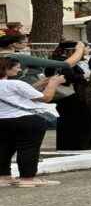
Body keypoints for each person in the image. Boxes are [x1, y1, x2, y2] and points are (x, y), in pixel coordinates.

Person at [0, 57, 66, 187]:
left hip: (2, 120)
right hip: (26, 119)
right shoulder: (16, 83)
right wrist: (54, 83)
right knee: (28, 148)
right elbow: (46, 98)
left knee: (4, 147)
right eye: (17, 67)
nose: (20, 69)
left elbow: (14, 94)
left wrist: (40, 84)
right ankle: (27, 178)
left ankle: (3, 176)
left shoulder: (13, 84)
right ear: (6, 69)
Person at [46, 41, 91, 150]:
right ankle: (77, 144)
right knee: (74, 122)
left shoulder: (63, 61)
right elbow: (67, 77)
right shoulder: (60, 62)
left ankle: (83, 143)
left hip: (76, 95)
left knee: (79, 120)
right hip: (69, 96)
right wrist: (84, 76)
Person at [0, 35, 84, 85]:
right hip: (29, 89)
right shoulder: (19, 57)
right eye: (24, 42)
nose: (27, 44)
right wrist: (80, 48)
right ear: (14, 44)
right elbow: (67, 64)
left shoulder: (5, 56)